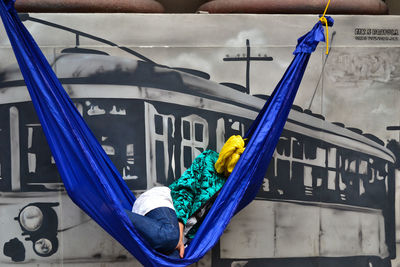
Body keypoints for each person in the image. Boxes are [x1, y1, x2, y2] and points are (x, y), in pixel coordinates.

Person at [124, 135, 245, 258]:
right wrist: (179, 236)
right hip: (165, 202)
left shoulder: (233, 190)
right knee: (170, 236)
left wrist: (183, 239)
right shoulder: (208, 159)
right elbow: (185, 192)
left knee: (173, 260)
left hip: (176, 232)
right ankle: (114, 211)